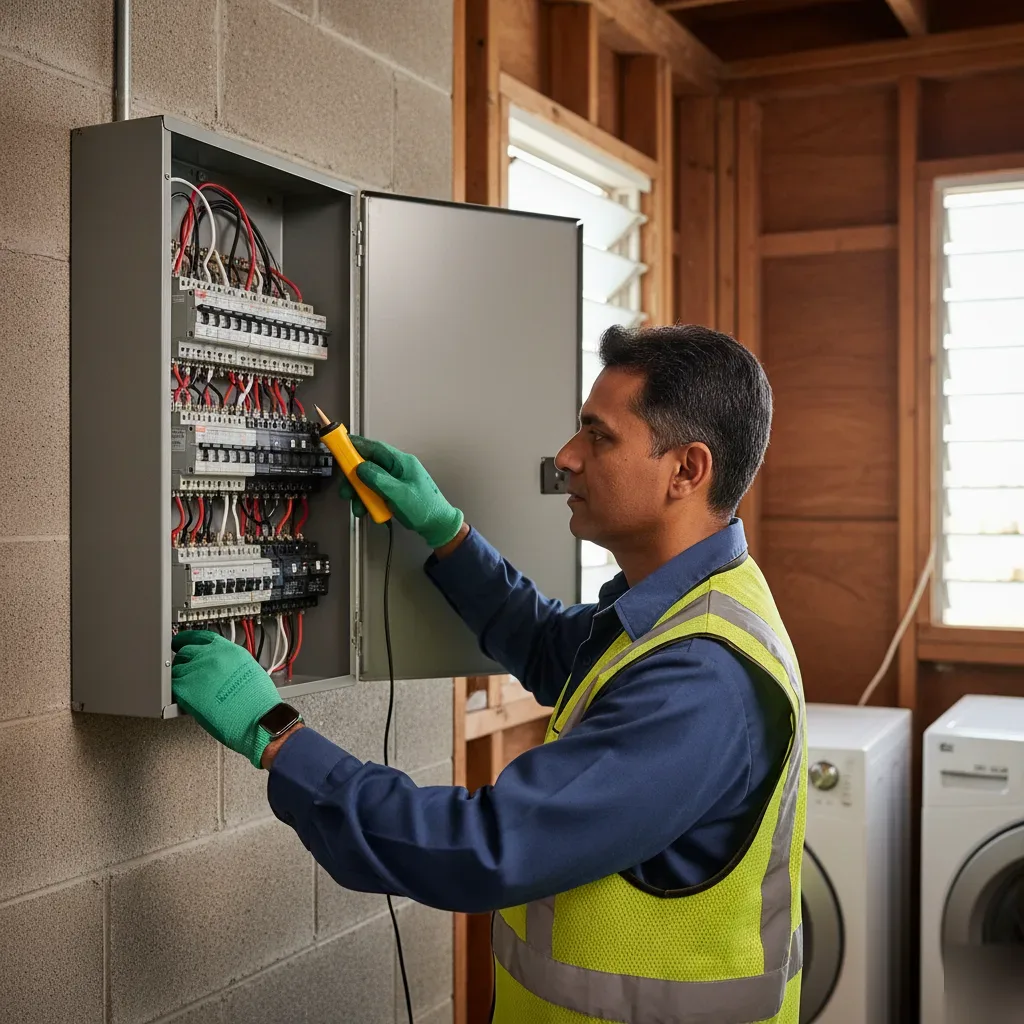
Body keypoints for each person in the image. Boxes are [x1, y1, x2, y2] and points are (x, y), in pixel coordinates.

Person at [172, 323, 807, 1024]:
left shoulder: (701, 679)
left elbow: (482, 849)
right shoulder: (683, 610)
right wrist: (446, 532)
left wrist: (276, 734)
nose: (565, 458)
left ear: (687, 470)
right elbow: (544, 645)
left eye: (599, 437)